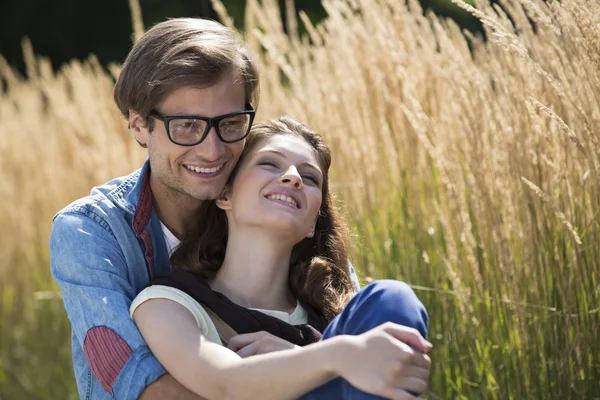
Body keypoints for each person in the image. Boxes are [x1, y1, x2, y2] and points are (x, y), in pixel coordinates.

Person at [49, 18, 361, 399]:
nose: (212, 151)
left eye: (229, 123)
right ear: (138, 126)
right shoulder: (90, 231)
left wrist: (303, 360)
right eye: (185, 126)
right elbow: (143, 387)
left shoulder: (274, 215)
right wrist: (308, 374)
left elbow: (366, 365)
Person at [130, 117, 431, 400]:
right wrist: (338, 356)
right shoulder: (167, 303)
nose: (293, 178)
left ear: (313, 221)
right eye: (269, 164)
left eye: (310, 178)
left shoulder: (335, 322)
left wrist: (301, 353)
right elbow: (225, 383)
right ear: (225, 194)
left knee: (391, 299)